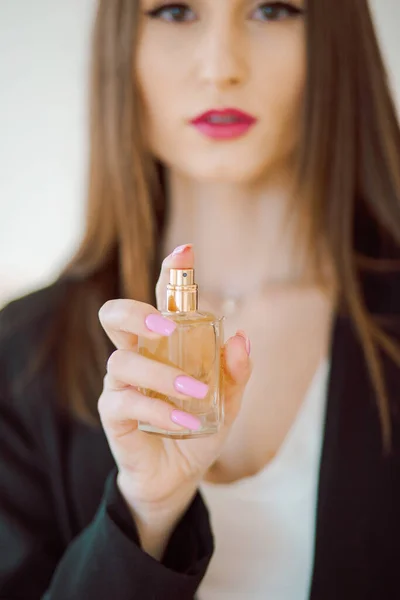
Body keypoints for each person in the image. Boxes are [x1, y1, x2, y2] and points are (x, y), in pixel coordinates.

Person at [1, 0, 400, 598]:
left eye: (271, 10)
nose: (220, 67)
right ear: (123, 46)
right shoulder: (17, 357)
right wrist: (144, 514)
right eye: (174, 12)